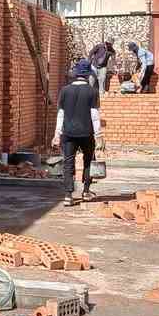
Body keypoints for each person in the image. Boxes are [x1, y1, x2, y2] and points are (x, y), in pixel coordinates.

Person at [52, 59, 102, 206]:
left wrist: (57, 134)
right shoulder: (92, 91)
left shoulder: (65, 90)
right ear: (88, 75)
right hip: (87, 133)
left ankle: (68, 195)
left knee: (68, 162)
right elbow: (94, 114)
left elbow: (61, 114)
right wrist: (99, 135)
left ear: (75, 74)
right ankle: (86, 192)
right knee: (88, 161)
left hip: (68, 133)